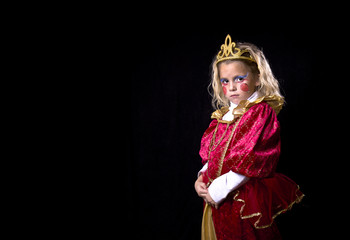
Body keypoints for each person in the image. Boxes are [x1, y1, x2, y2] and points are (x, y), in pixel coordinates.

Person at [194, 34, 304, 240]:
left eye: (239, 78)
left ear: (257, 78)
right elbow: (212, 153)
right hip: (214, 198)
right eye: (225, 81)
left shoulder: (260, 113)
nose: (232, 87)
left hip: (241, 199)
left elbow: (252, 160)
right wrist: (202, 177)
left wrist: (217, 189)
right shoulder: (222, 117)